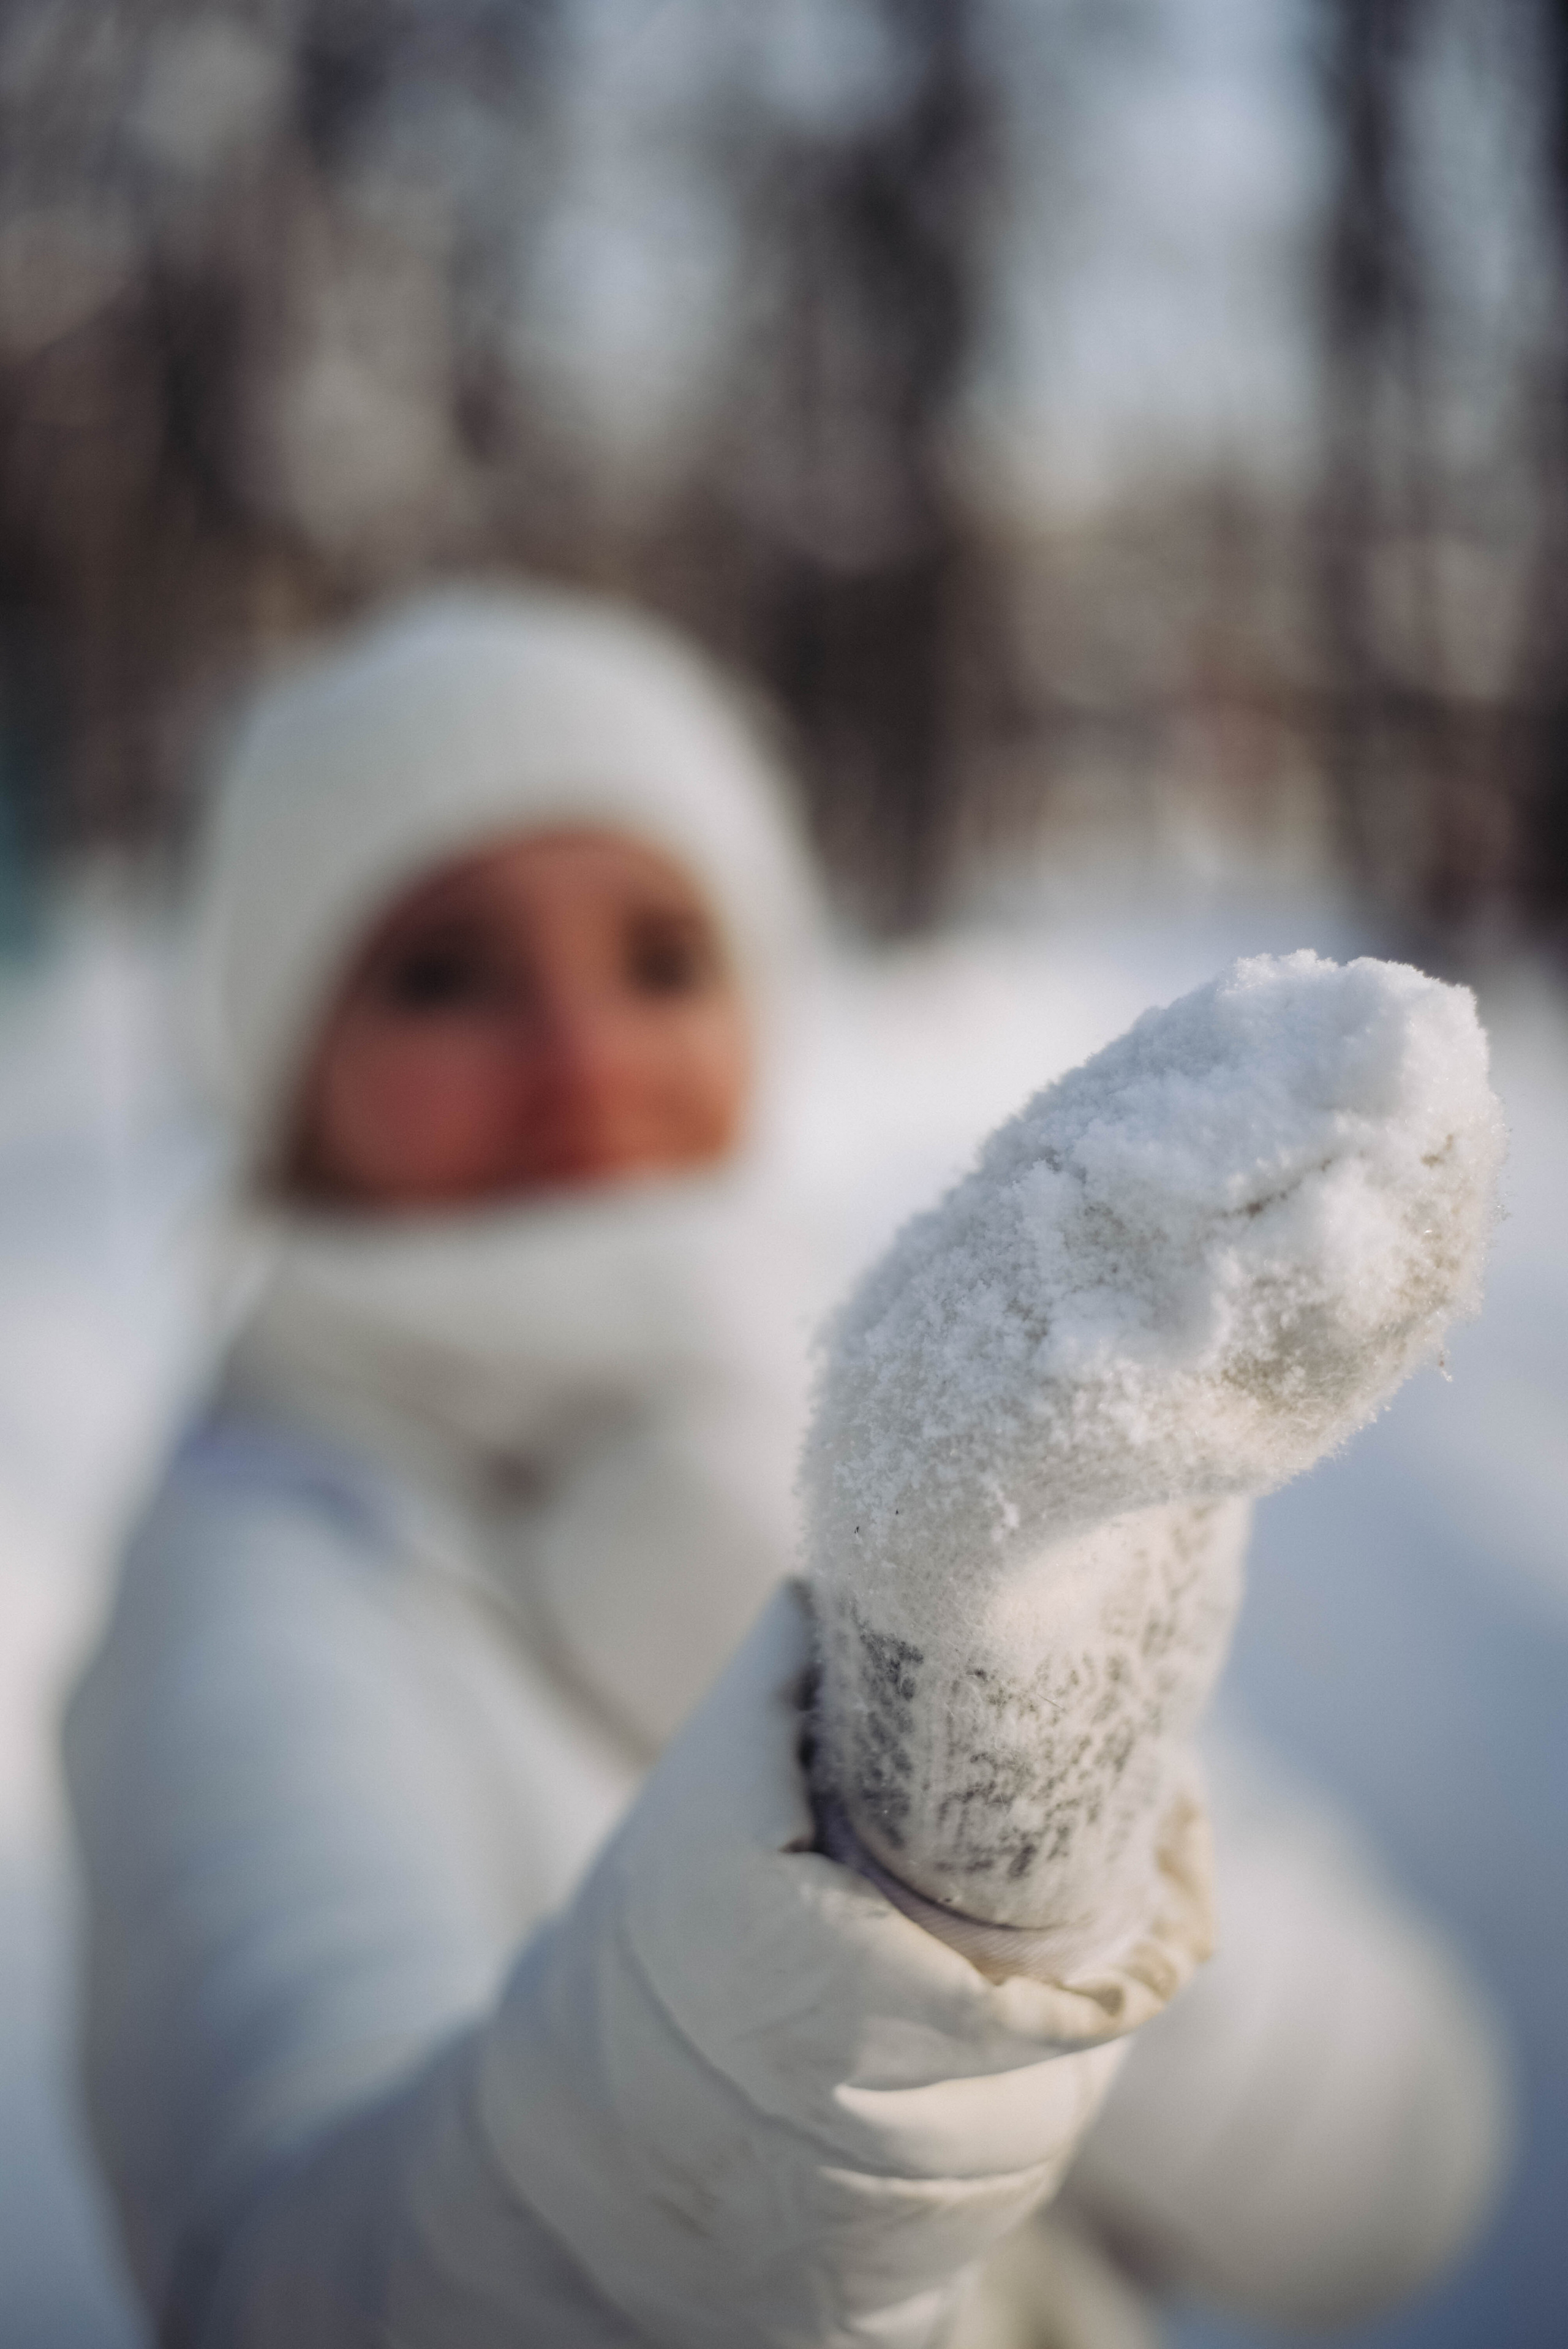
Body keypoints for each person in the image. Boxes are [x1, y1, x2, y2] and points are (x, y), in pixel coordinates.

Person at [63, 586, 1509, 2349]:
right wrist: (896, 1817)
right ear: (287, 1067)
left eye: (659, 957)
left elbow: (1402, 2169)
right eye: (446, 972)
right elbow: (312, 2289)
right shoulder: (253, 1579)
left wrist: (1022, 1794)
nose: (583, 1056)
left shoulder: (882, 1424)